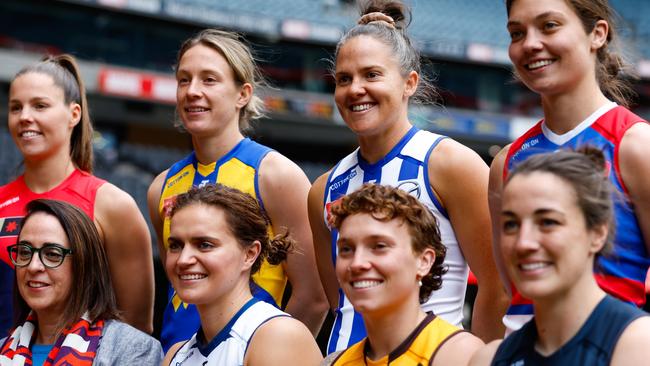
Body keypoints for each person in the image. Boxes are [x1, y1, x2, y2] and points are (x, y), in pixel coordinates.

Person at [308, 0, 507, 353]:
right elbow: (340, 303)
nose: (355, 89)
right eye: (343, 79)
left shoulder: (451, 164)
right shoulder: (323, 189)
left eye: (371, 75)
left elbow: (496, 288)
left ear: (409, 83)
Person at [147, 28, 327, 351]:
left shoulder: (275, 175)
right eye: (184, 80)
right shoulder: (161, 187)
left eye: (209, 80)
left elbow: (314, 297)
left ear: (243, 94)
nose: (192, 91)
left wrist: (271, 353)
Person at [489, 0, 650, 332]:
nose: (530, 44)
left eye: (549, 25)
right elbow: (507, 292)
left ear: (597, 34)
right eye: (517, 33)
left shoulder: (635, 146)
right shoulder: (507, 162)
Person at [0, 55, 154, 335]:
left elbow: (136, 328)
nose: (24, 117)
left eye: (39, 105)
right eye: (15, 107)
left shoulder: (112, 205)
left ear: (74, 114)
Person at [471, 149, 650, 365]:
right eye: (511, 224)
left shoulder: (637, 344)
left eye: (548, 222)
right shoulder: (489, 358)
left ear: (597, 233)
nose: (523, 242)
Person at [323, 183, 483, 365]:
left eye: (379, 246)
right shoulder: (335, 362)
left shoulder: (460, 356)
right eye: (346, 249)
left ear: (424, 261)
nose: (357, 263)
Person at [162, 184, 322, 365]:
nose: (183, 260)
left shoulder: (279, 337)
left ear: (250, 254)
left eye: (205, 245)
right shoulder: (175, 355)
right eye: (175, 245)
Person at [0, 199, 162, 365]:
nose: (33, 266)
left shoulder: (133, 349)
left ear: (83, 264)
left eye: (52, 254)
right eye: (25, 252)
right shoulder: (3, 349)